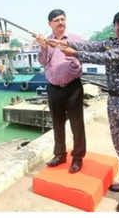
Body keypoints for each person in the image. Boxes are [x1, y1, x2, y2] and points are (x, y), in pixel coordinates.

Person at [57, 9, 119, 212]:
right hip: (114, 100)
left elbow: (106, 57)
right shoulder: (112, 41)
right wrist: (66, 43)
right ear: (115, 25)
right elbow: (92, 45)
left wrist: (75, 54)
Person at [34, 9, 86, 174]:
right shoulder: (46, 41)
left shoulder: (75, 39)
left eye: (63, 19)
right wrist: (43, 47)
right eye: (56, 20)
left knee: (77, 124)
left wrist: (77, 62)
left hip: (73, 87)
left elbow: (85, 55)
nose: (60, 23)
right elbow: (43, 61)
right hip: (53, 88)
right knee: (57, 123)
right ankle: (59, 155)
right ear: (50, 24)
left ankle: (77, 158)